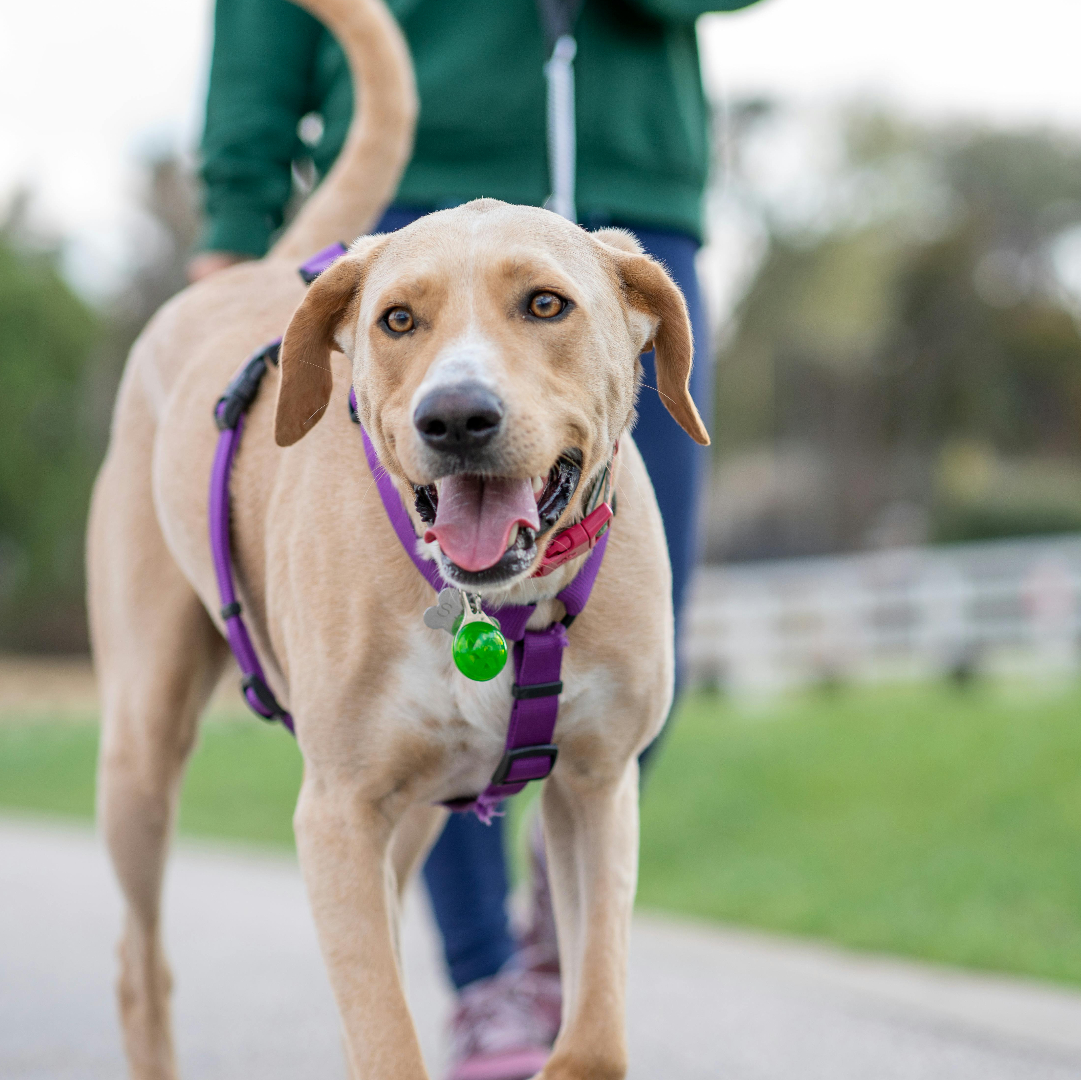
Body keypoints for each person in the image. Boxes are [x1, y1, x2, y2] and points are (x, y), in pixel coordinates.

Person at [191, 1, 756, 1076]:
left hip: (630, 178)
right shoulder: (390, 291)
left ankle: (558, 949)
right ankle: (487, 978)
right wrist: (236, 215)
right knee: (432, 673)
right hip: (411, 174)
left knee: (626, 670)